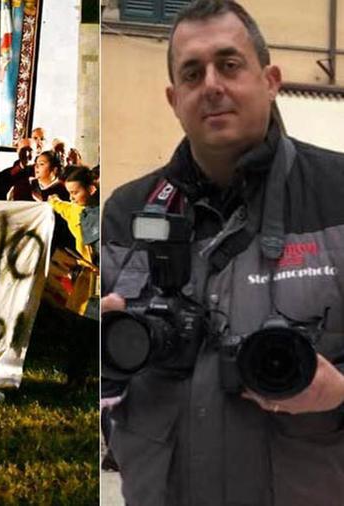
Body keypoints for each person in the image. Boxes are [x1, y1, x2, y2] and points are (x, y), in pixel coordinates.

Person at [101, 1, 344, 504]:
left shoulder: (337, 192)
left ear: (271, 79)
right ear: (174, 98)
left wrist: (339, 391)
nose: (211, 84)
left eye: (229, 65)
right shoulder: (127, 212)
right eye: (192, 73)